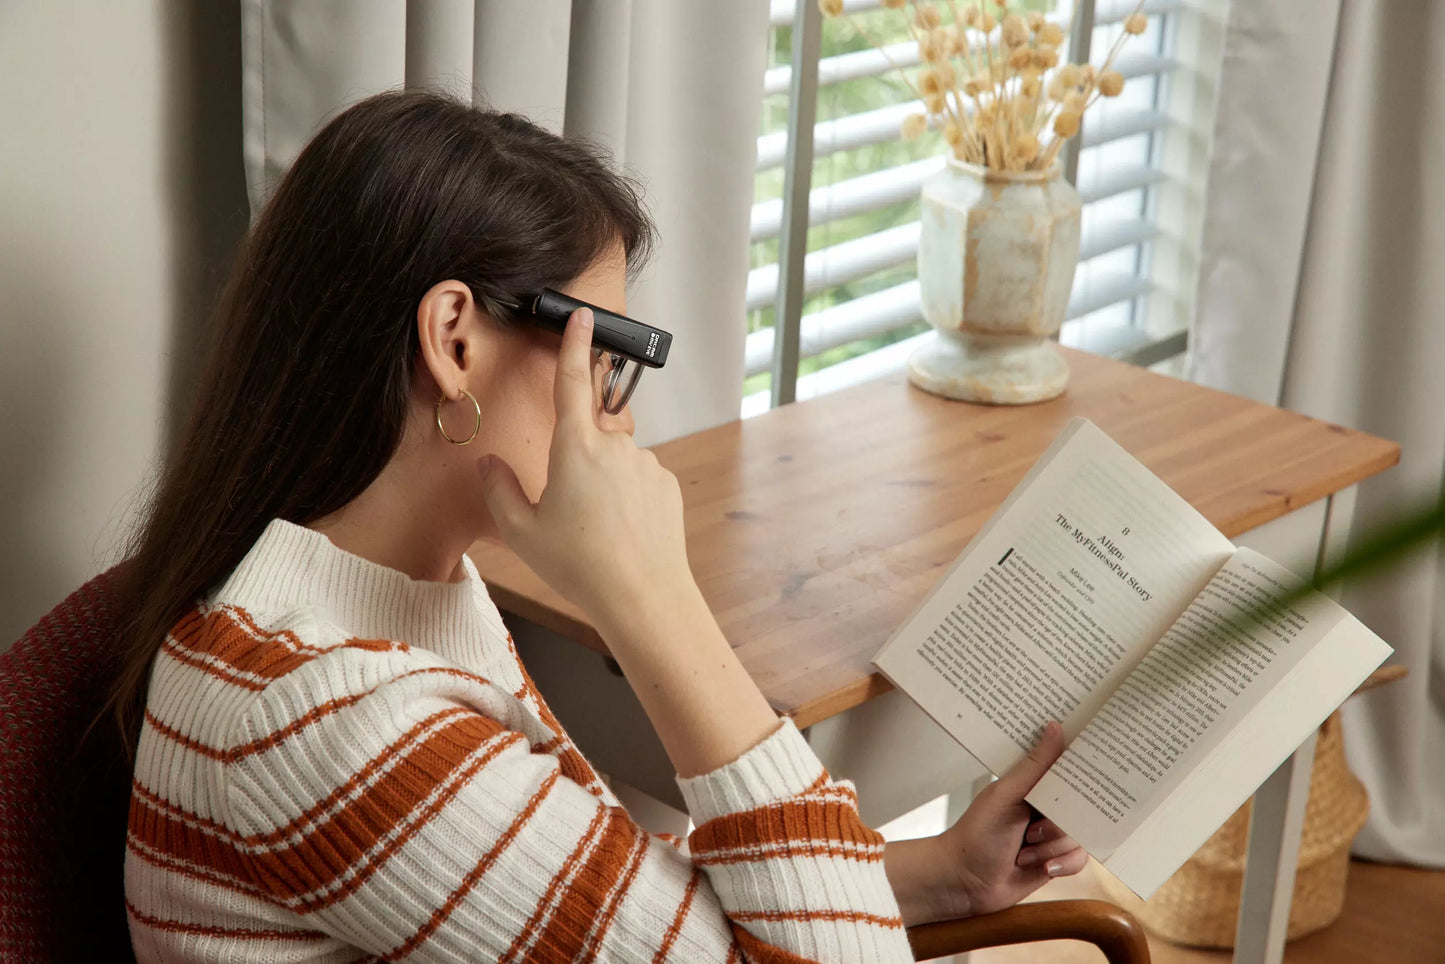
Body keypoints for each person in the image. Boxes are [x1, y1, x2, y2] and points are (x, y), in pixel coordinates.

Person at [112, 90, 1085, 963]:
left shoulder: (399, 597)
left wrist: (943, 875)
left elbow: (607, 893)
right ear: (454, 341)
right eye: (608, 360)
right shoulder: (326, 722)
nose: (618, 418)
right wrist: (652, 599)